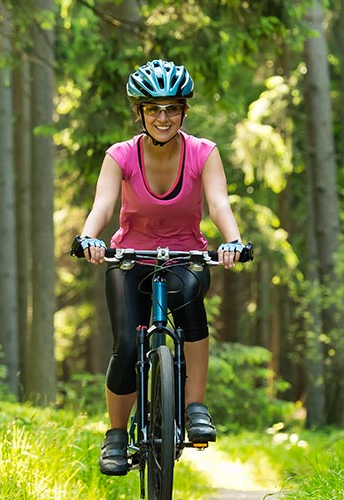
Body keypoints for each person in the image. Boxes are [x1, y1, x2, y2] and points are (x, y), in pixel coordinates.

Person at [72, 59, 245, 476]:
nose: (163, 118)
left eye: (171, 108)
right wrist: (89, 237)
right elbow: (103, 205)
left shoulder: (204, 153)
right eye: (154, 109)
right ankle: (115, 436)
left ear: (184, 110)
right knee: (129, 347)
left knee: (190, 305)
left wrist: (233, 241)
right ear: (141, 113)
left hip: (186, 256)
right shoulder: (121, 155)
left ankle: (196, 407)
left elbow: (219, 202)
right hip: (130, 259)